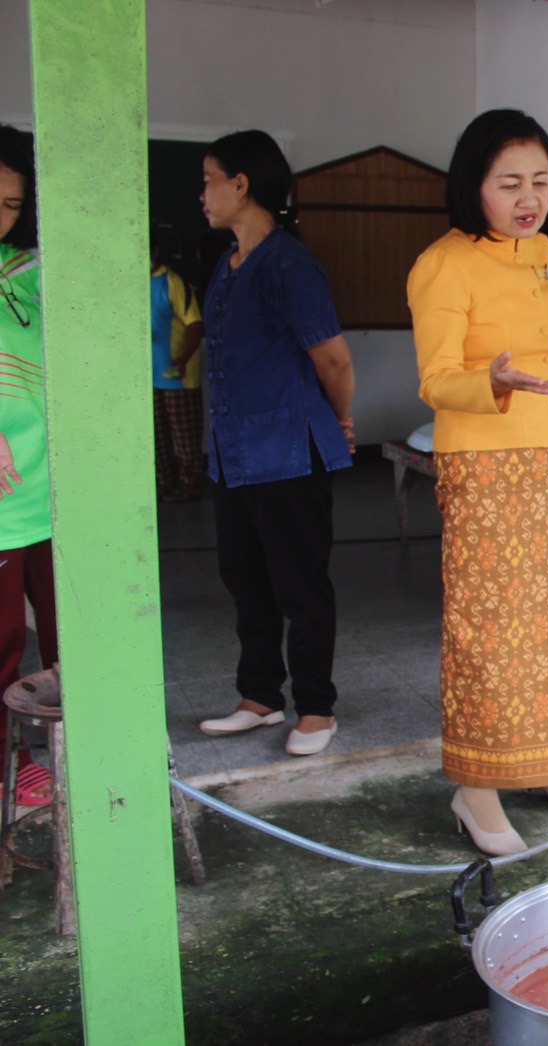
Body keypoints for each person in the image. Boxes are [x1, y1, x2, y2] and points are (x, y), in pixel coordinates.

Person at [407, 108, 548, 857]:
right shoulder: (442, 262)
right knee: (489, 633)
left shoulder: (544, 249)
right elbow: (435, 380)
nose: (530, 197)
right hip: (483, 461)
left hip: (547, 452)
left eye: (541, 181)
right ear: (474, 187)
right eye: (509, 183)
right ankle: (477, 790)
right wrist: (489, 377)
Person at [194, 130, 356, 758]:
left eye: (209, 179)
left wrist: (340, 422)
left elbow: (334, 360)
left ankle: (316, 707)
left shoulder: (289, 263)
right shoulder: (227, 263)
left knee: (300, 584)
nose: (201, 194)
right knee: (244, 577)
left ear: (241, 184)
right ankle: (260, 696)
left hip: (290, 452)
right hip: (234, 454)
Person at [0, 124, 57, 807]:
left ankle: (72, 749)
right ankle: (11, 764)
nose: (1, 216)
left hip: (61, 489)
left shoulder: (35, 270)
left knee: (73, 638)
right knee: (5, 644)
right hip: (5, 500)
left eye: (12, 203)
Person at [150, 232, 206, 501]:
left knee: (186, 440)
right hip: (145, 379)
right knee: (157, 439)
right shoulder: (128, 284)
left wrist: (182, 359)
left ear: (155, 250)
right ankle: (164, 486)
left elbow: (195, 324)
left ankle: (190, 487)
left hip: (177, 376)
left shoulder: (172, 282)